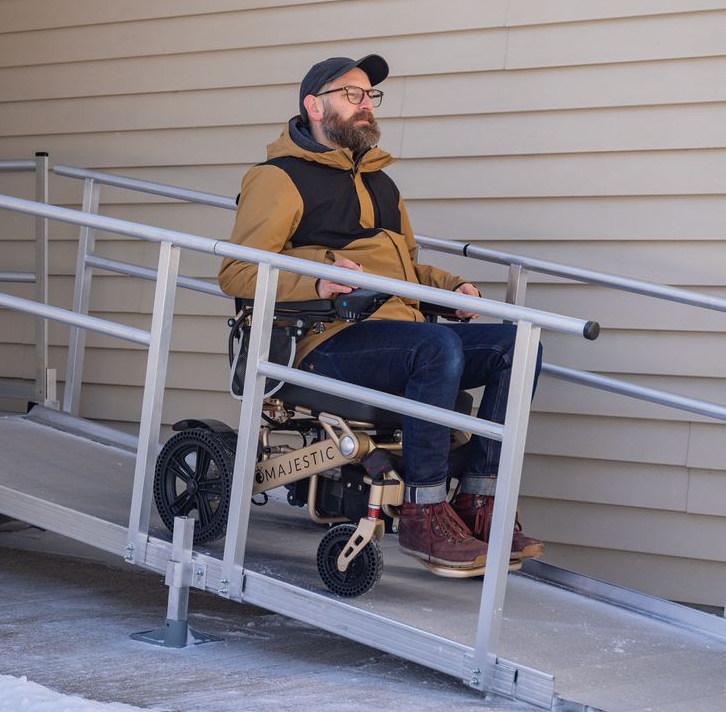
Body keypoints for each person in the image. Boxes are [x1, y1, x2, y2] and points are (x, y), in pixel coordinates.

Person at [218, 54, 543, 575]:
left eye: (371, 95)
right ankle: (423, 513)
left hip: (397, 335)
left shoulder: (381, 182)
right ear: (315, 106)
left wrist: (451, 288)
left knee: (519, 345)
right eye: (353, 94)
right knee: (435, 348)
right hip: (321, 340)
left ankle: (479, 499)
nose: (366, 104)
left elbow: (406, 269)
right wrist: (317, 280)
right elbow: (237, 273)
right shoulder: (278, 178)